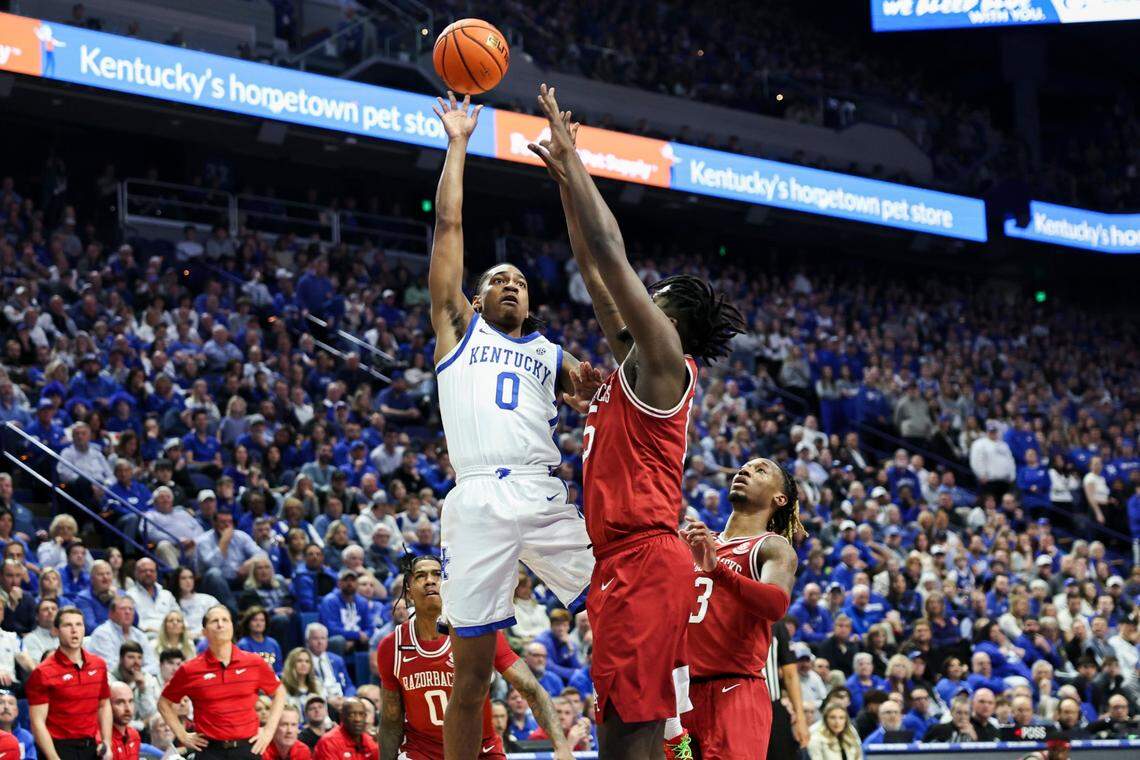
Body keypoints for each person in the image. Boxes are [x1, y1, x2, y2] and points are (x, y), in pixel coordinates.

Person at [528, 83, 743, 757]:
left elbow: (612, 256)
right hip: (626, 561)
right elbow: (593, 270)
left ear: (671, 317)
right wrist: (566, 181)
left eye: (657, 297)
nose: (643, 296)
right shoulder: (632, 365)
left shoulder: (663, 360)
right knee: (629, 726)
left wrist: (580, 164)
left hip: (645, 559)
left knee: (627, 731)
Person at [425, 91, 599, 760]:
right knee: (469, 680)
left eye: (520, 282)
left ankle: (662, 736)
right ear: (473, 297)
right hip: (475, 499)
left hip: (541, 492)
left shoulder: (550, 352)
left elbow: (602, 386)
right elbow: (447, 228)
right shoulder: (456, 333)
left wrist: (593, 391)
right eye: (497, 278)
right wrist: (459, 143)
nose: (510, 285)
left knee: (617, 607)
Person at [377, 555, 572, 760]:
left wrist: (562, 747)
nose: (430, 580)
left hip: (479, 748)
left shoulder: (478, 634)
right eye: (420, 576)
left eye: (437, 574)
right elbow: (391, 719)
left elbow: (530, 689)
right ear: (408, 592)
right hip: (422, 751)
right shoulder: (393, 646)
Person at [679, 458, 801, 759]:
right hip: (680, 693)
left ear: (779, 498)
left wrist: (717, 569)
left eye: (760, 470)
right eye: (744, 467)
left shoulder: (772, 546)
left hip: (735, 690)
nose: (745, 471)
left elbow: (776, 605)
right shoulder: (697, 544)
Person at [157, 605, 286, 760]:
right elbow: (164, 703)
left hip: (248, 748)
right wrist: (183, 735)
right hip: (210, 750)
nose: (220, 624)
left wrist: (268, 731)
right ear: (204, 632)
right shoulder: (189, 669)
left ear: (232, 627)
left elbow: (279, 692)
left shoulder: (254, 662)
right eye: (214, 620)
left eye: (225, 620)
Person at [25, 606, 113, 760]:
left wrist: (107, 743)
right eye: (67, 625)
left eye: (79, 625)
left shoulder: (99, 665)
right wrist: (53, 757)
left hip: (92, 747)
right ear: (56, 631)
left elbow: (104, 704)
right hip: (58, 747)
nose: (74, 630)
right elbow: (37, 722)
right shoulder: (43, 672)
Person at [108, 682, 140, 760]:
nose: (127, 709)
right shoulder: (101, 739)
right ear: (108, 706)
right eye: (120, 702)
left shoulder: (134, 735)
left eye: (131, 701)